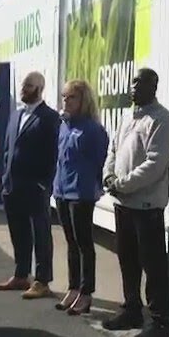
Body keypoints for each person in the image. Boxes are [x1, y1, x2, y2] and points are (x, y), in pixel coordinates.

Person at [102, 67, 169, 337]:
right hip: (123, 203)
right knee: (128, 260)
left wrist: (122, 183)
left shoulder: (161, 120)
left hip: (147, 206)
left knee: (153, 266)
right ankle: (132, 310)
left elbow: (155, 165)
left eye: (140, 83)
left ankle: (159, 323)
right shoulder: (127, 116)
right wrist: (109, 176)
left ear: (153, 87)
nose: (134, 87)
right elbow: (113, 150)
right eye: (133, 82)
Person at [0, 71, 61, 300]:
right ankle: (21, 274)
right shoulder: (16, 115)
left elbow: (54, 154)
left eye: (29, 86)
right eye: (23, 86)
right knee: (18, 232)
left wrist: (45, 184)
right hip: (12, 185)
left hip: (35, 186)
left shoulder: (49, 118)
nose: (24, 90)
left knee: (40, 233)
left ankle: (42, 280)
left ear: (40, 89)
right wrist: (5, 177)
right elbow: (8, 148)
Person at [52, 79, 108, 316]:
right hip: (62, 191)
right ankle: (73, 287)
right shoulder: (64, 126)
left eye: (71, 97)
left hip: (81, 192)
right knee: (71, 243)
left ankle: (86, 293)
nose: (66, 101)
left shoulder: (93, 129)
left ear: (83, 100)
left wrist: (90, 183)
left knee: (84, 243)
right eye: (64, 97)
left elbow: (98, 161)